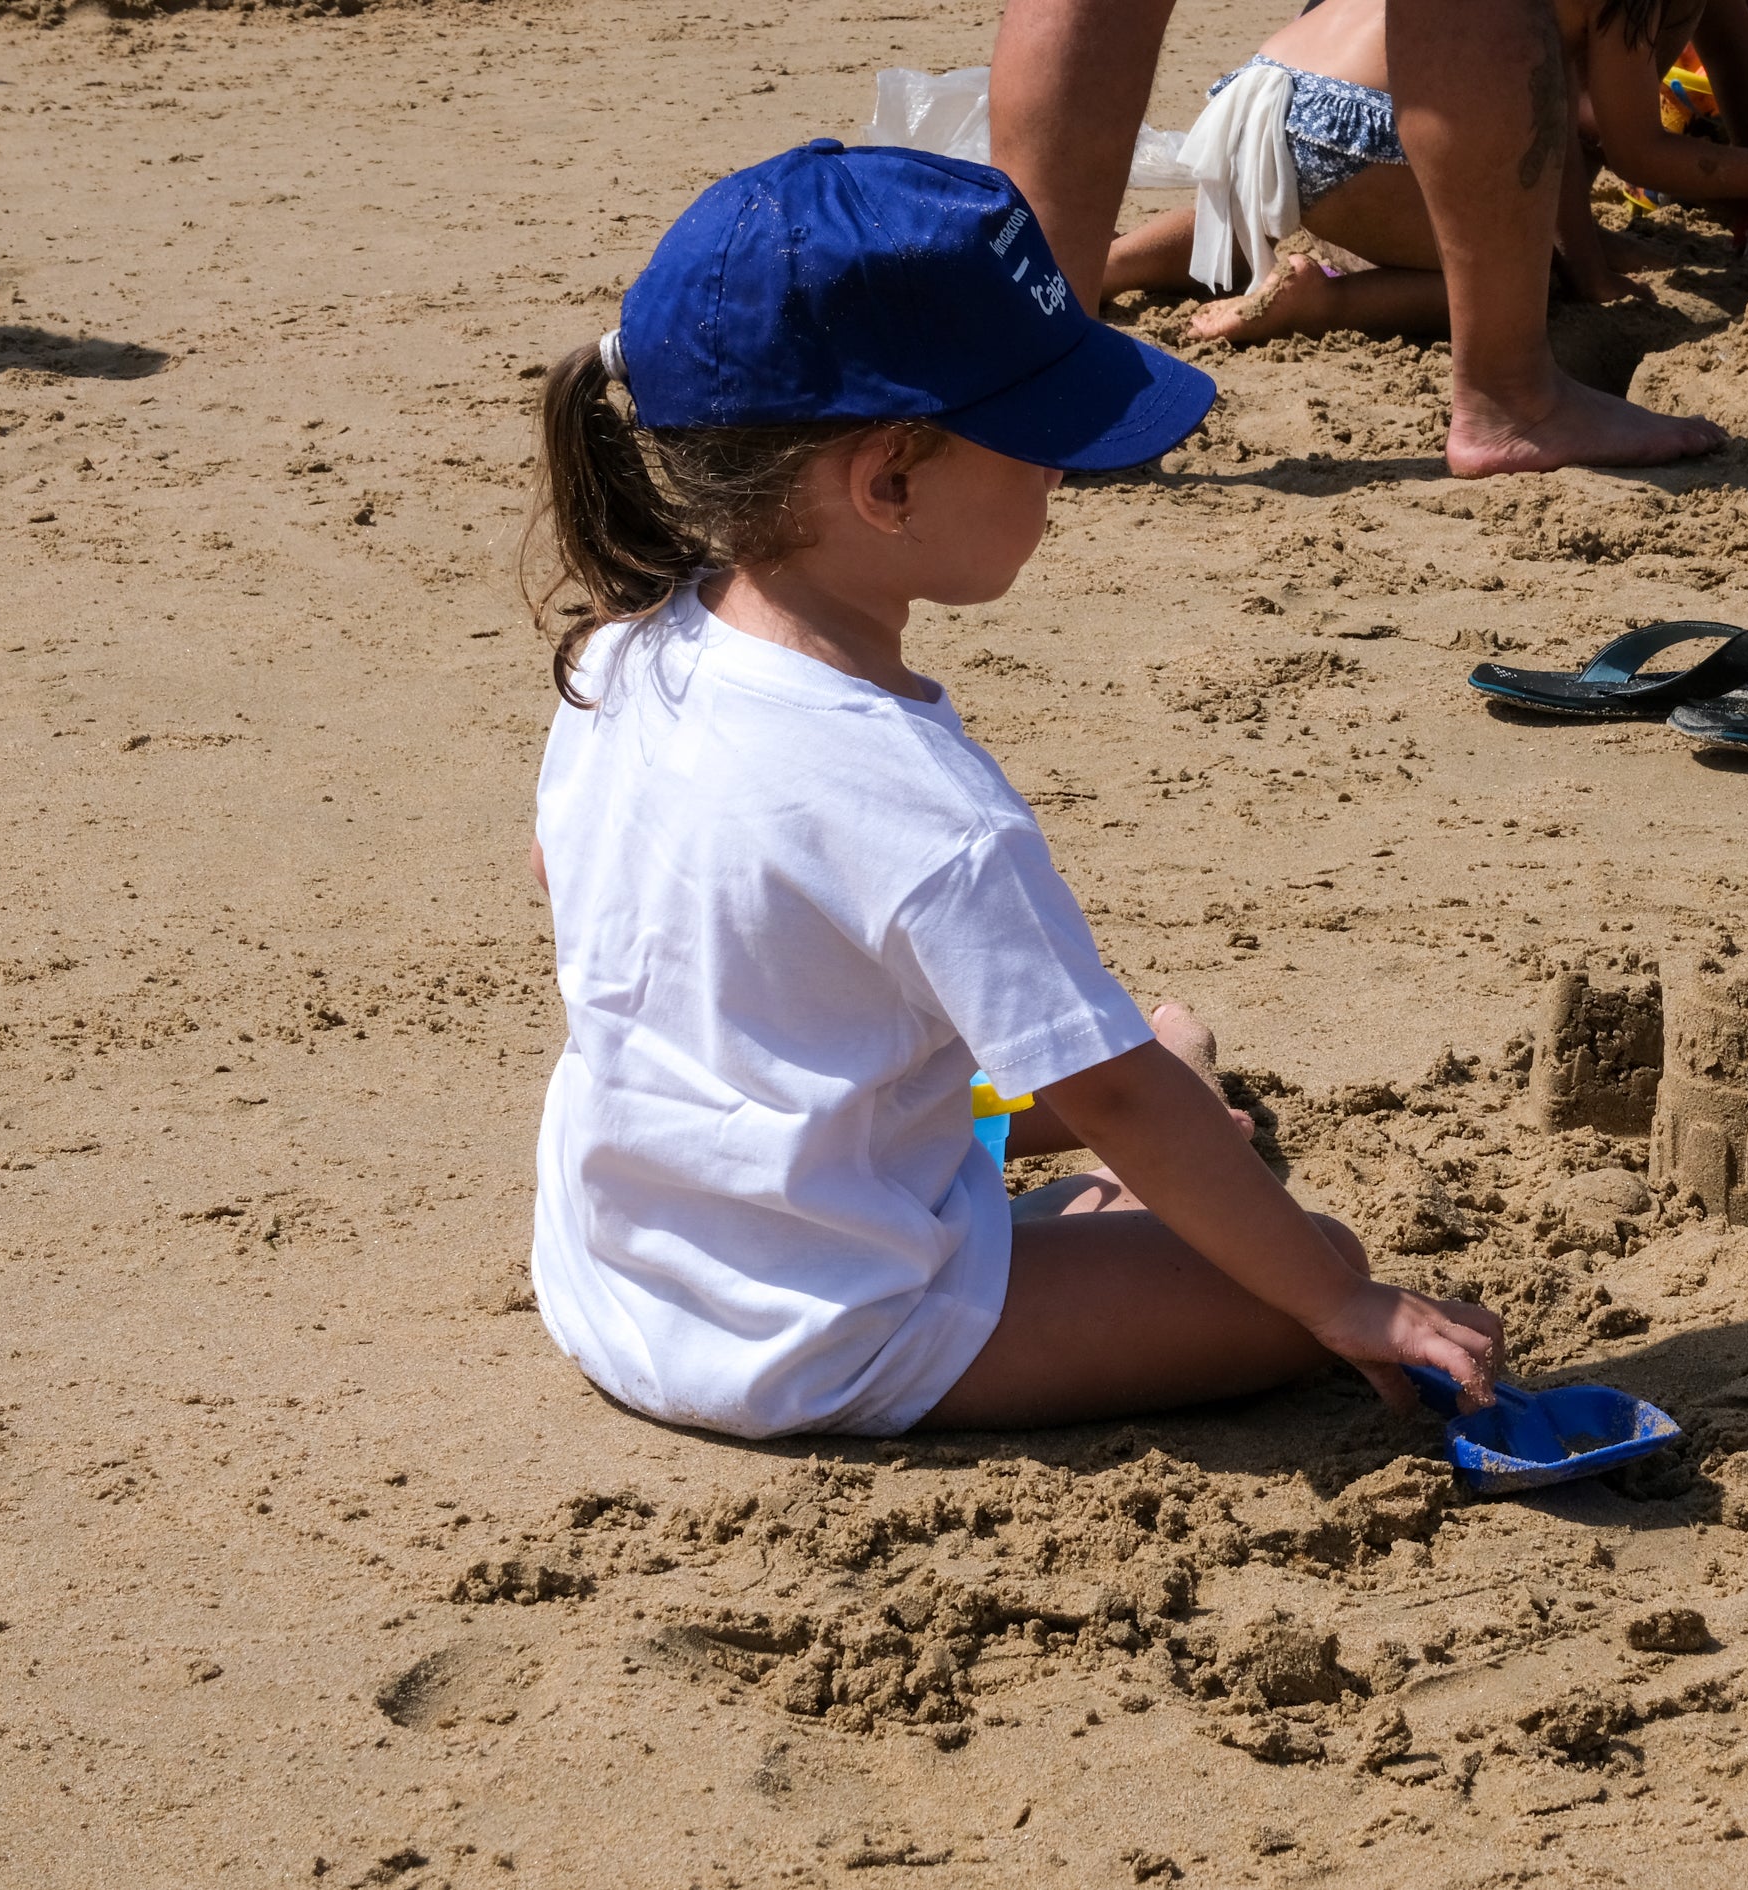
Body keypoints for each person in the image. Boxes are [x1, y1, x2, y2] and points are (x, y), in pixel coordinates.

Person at [518, 140, 1504, 1440]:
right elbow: (1112, 1099)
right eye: (1035, 440)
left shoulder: (619, 653)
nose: (1060, 472)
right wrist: (1341, 1300)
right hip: (814, 1333)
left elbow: (576, 882)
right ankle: (1120, 1199)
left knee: (1126, 1064)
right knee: (1281, 1258)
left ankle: (1067, 1133)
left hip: (616, 1262)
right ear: (887, 481)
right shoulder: (920, 802)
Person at [989, 0, 1727, 476]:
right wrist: (1589, 266)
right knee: (1512, 266)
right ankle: (1504, 393)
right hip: (1372, 129)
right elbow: (1582, 136)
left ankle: (1037, 350)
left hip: (1260, 99)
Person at [1102, 0, 1748, 344]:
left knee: (1281, 211)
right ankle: (1324, 304)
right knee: (1516, 285)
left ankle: (1107, 266)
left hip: (1265, 96)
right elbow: (1635, 150)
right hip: (1371, 124)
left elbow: (1731, 47)